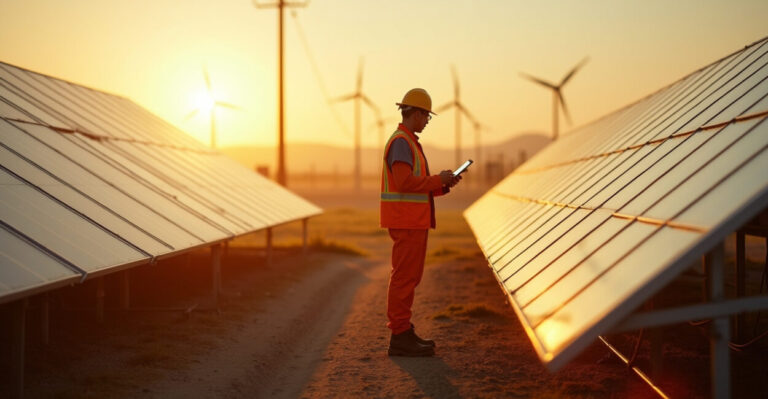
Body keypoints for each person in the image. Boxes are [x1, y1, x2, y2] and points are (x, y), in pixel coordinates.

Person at [380, 88, 462, 357]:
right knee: (404, 278)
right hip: (407, 222)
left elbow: (414, 186)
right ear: (415, 114)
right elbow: (404, 182)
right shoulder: (402, 142)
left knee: (409, 278)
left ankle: (403, 332)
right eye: (426, 115)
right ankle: (400, 336)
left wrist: (443, 185)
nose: (427, 120)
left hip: (413, 221)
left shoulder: (408, 142)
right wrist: (438, 179)